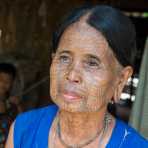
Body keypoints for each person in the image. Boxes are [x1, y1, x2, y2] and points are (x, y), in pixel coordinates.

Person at [6, 5, 148, 148]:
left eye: (92, 63)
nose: (72, 75)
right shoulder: (23, 129)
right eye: (64, 58)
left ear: (121, 79)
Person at [0, 63, 19, 147]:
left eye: (7, 81)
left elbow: (22, 124)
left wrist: (18, 105)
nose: (3, 84)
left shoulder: (12, 105)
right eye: (0, 80)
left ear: (12, 83)